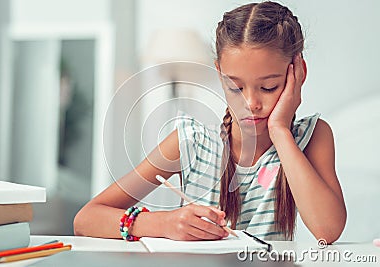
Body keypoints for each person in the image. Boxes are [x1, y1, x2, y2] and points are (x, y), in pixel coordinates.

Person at [74, 1, 346, 242]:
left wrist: (280, 131)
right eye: (236, 87)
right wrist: (163, 223)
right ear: (219, 72)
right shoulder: (191, 142)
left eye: (269, 87)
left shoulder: (310, 138)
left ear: (297, 73)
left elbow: (327, 230)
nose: (251, 103)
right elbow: (86, 219)